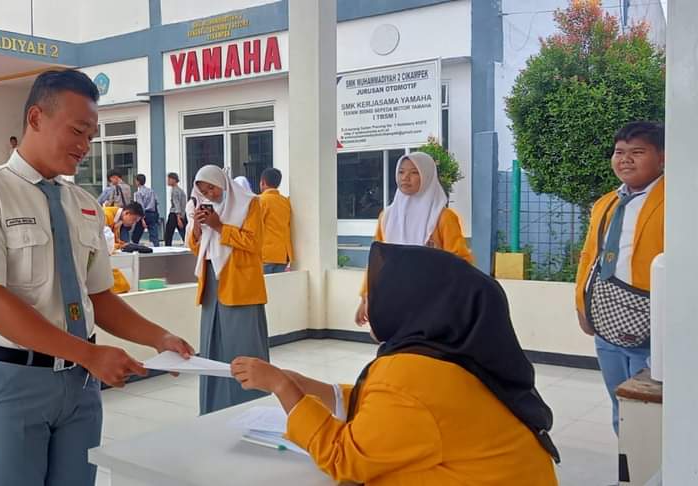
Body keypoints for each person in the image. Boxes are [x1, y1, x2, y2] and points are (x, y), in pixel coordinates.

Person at [0, 69, 193, 486]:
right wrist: (89, 354)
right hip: (15, 381)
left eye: (91, 135)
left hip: (79, 385)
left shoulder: (84, 205)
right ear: (36, 118)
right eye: (78, 131)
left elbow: (100, 296)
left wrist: (158, 337)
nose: (85, 146)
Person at [231, 243, 560, 485]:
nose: (370, 303)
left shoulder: (410, 375)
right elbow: (388, 409)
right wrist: (311, 388)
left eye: (377, 293)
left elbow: (344, 458)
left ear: (410, 299)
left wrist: (282, 387)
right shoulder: (446, 356)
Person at [575, 121, 664, 435]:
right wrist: (582, 308)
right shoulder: (606, 203)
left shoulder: (677, 201)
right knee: (620, 407)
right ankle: (627, 476)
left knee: (652, 413)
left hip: (654, 326)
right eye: (619, 152)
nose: (625, 159)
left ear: (662, 158)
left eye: (637, 152)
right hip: (607, 323)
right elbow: (589, 259)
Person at [355, 151, 472, 326]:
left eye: (414, 172)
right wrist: (366, 298)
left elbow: (461, 261)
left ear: (427, 176)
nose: (405, 178)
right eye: (401, 172)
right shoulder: (387, 217)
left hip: (432, 302)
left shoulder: (443, 217)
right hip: (394, 299)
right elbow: (376, 261)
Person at [187, 164, 268, 414]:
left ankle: (249, 407)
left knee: (242, 346)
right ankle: (213, 408)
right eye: (203, 190)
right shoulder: (203, 209)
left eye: (211, 187)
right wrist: (200, 227)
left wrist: (220, 226)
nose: (209, 194)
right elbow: (195, 247)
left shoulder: (249, 204)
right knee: (212, 346)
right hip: (212, 284)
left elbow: (254, 243)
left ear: (222, 182)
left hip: (240, 285)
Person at [258, 168, 293, 274]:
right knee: (277, 288)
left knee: (263, 289)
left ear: (263, 182)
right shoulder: (285, 202)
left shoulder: (260, 201)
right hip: (283, 254)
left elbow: (255, 227)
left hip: (265, 254)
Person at [133, 174, 161, 246]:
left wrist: (142, 218)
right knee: (154, 235)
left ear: (138, 182)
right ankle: (156, 248)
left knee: (136, 235)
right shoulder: (151, 191)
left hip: (144, 214)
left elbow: (140, 206)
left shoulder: (138, 193)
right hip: (152, 213)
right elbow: (156, 202)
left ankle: (134, 248)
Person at [164, 172, 187, 246]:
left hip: (174, 214)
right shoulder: (181, 190)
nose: (167, 181)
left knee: (168, 234)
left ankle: (167, 248)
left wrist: (178, 218)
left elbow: (176, 204)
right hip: (182, 214)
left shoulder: (174, 191)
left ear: (174, 180)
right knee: (184, 232)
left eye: (169, 179)